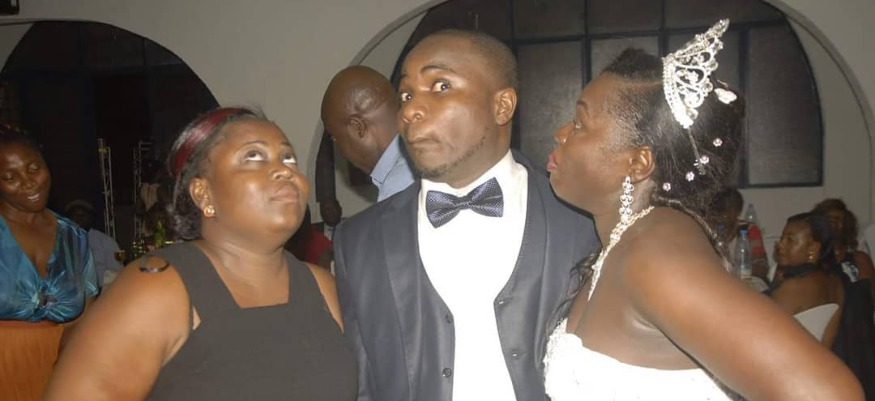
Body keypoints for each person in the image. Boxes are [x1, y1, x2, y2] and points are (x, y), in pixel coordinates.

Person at [542, 20, 863, 400]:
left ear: (638, 163)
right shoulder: (626, 242)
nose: (560, 132)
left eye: (579, 123)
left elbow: (828, 393)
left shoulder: (655, 253)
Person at [334, 29, 598, 401]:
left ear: (502, 106)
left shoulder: (583, 220)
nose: (409, 111)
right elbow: (364, 386)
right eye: (406, 95)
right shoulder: (359, 241)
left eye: (441, 86)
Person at [43, 107, 357, 400]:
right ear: (203, 193)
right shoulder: (158, 288)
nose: (284, 171)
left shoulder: (321, 287)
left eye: (289, 159)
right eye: (253, 156)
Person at [0, 127, 98, 400]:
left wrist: (67, 370)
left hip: (60, 372)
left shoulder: (73, 237)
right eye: (10, 177)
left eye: (34, 169)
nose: (29, 183)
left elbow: (84, 318)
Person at [771, 212, 875, 398]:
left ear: (813, 248)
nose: (781, 245)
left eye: (790, 240)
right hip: (817, 377)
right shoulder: (835, 283)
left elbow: (762, 335)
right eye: (782, 238)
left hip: (783, 379)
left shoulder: (795, 287)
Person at [321, 65, 416, 201]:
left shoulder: (397, 187)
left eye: (336, 138)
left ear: (357, 127)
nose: (341, 152)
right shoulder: (427, 159)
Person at [812, 198, 875, 286]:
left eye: (838, 220)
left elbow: (869, 291)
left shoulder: (860, 260)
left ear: (847, 226)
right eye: (829, 220)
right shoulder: (809, 260)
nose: (833, 224)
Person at [65, 199, 122, 287]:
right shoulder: (60, 242)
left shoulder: (107, 242)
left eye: (83, 215)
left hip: (101, 292)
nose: (79, 218)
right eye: (75, 215)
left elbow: (117, 272)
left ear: (92, 218)